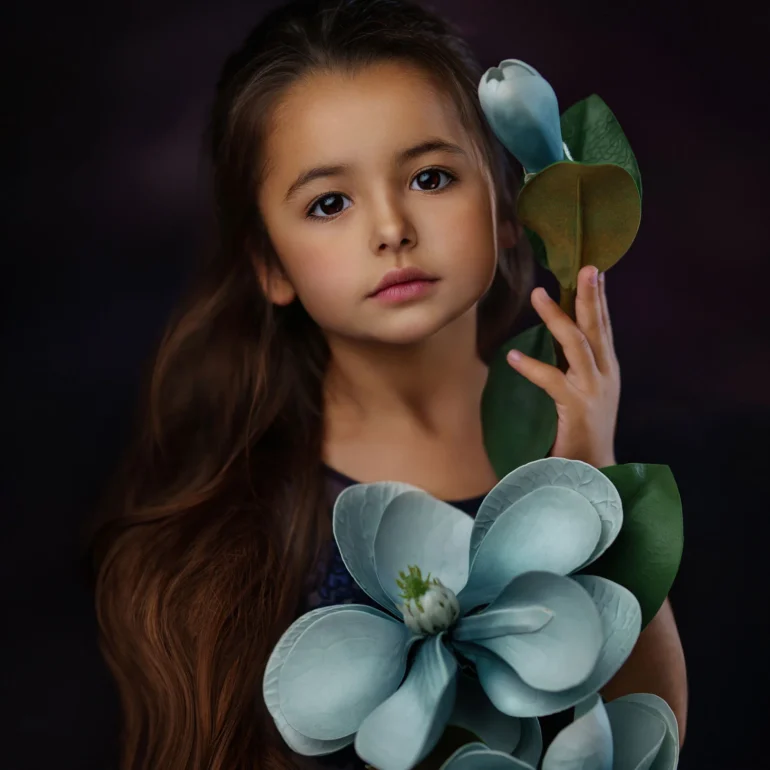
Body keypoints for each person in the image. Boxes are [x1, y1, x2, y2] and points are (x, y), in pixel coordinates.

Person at [89, 1, 688, 768]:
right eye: (328, 203)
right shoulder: (237, 526)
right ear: (270, 265)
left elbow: (652, 737)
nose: (391, 228)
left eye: (431, 177)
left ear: (512, 210)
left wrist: (593, 476)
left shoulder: (573, 441)